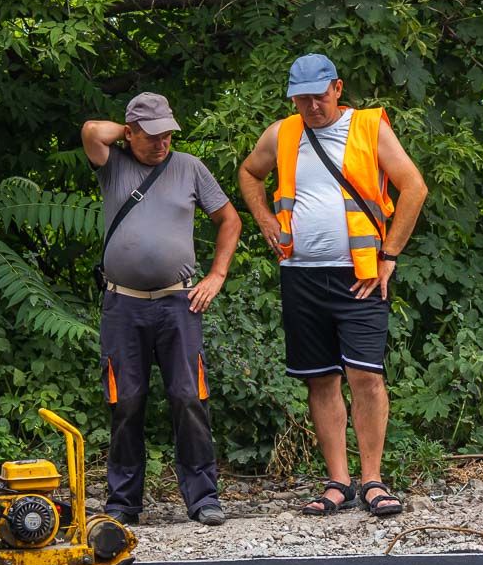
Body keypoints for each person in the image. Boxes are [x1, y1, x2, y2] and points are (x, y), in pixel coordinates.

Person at [238, 54, 428, 517]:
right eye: (301, 99)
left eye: (319, 97)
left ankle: (373, 480)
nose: (311, 107)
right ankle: (338, 482)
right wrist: (264, 219)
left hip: (359, 274)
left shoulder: (368, 127)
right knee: (321, 379)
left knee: (366, 375)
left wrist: (389, 256)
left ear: (337, 88)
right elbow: (249, 172)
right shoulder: (282, 133)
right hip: (301, 274)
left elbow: (414, 187)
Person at [81, 93, 242, 527]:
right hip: (123, 304)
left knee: (189, 397)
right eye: (151, 135)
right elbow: (91, 131)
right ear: (130, 133)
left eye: (167, 133)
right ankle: (123, 502)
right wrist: (127, 131)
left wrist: (216, 275)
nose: (161, 142)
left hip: (179, 303)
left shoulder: (189, 167)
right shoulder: (113, 165)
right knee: (125, 400)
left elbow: (230, 220)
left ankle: (203, 497)